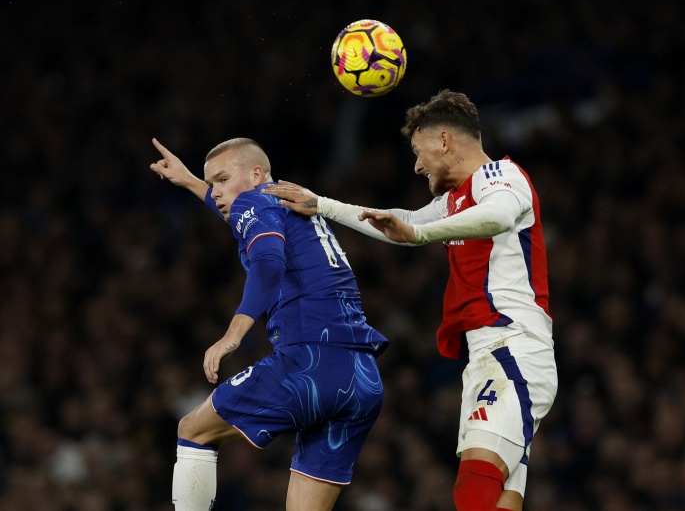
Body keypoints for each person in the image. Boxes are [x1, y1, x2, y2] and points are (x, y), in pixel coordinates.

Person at [264, 89, 558, 511]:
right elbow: (400, 222)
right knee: (497, 497)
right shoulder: (455, 200)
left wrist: (420, 234)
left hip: (512, 346)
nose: (417, 165)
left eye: (419, 152)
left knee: (473, 486)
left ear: (444, 141)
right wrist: (321, 204)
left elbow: (498, 216)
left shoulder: (500, 175)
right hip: (494, 352)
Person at [149, 137, 389, 511]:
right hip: (362, 378)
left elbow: (268, 263)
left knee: (193, 431)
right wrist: (191, 181)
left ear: (257, 174)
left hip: (311, 363)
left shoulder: (253, 201)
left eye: (222, 179)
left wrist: (232, 334)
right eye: (212, 183)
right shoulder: (292, 202)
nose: (217, 192)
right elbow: (239, 212)